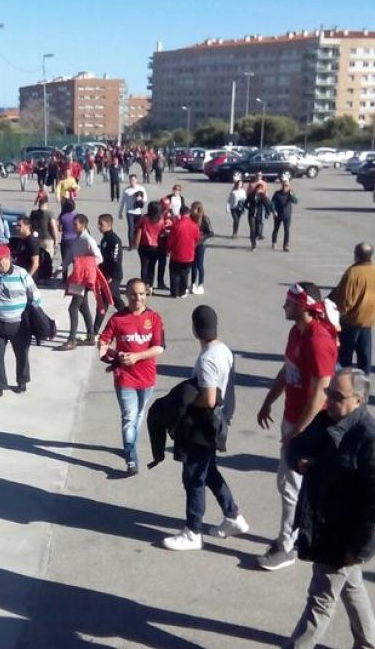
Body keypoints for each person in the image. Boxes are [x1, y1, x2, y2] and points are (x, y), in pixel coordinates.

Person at [283, 368, 375, 649]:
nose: (329, 401)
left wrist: (359, 550)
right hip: (323, 526)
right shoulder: (326, 421)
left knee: (320, 601)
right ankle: (370, 645)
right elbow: (295, 446)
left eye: (337, 396)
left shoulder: (373, 442)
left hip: (343, 536)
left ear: (359, 400)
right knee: (351, 586)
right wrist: (299, 463)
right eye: (328, 394)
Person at [256, 282, 340, 571]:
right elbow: (287, 369)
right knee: (289, 484)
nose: (284, 307)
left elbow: (320, 394)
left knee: (292, 485)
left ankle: (287, 545)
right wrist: (269, 400)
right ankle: (296, 535)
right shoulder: (296, 332)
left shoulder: (319, 341)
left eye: (289, 303)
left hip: (310, 426)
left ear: (304, 307)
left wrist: (297, 433)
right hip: (293, 419)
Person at [161, 305, 247, 551]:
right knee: (209, 471)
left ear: (194, 329)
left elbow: (209, 398)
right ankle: (233, 516)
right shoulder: (224, 350)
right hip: (220, 421)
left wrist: (185, 403)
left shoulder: (208, 358)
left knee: (194, 477)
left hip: (203, 425)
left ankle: (193, 531)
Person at [97, 278, 165, 474]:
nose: (138, 298)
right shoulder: (117, 319)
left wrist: (137, 356)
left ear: (147, 294)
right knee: (129, 418)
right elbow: (102, 344)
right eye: (134, 294)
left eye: (142, 293)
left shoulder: (154, 318)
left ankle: (130, 444)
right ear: (126, 295)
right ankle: (131, 458)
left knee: (138, 416)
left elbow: (159, 347)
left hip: (147, 379)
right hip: (125, 379)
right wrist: (116, 356)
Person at [0, 245, 42, 401]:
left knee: (21, 354)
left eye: (0, 260)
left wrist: (32, 312)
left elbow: (35, 296)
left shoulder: (21, 274)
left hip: (19, 324)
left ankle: (22, 381)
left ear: (8, 258)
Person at [328, 242, 375, 375]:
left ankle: (344, 389)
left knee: (344, 362)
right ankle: (364, 389)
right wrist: (374, 313)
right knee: (365, 361)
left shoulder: (353, 273)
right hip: (367, 323)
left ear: (356, 255)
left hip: (349, 323)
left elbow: (346, 301)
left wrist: (337, 316)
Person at [58, 214, 103, 350]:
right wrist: (61, 268)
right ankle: (90, 336)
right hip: (78, 276)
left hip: (84, 278)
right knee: (83, 307)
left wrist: (85, 264)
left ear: (83, 225)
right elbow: (70, 256)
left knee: (73, 308)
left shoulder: (88, 240)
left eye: (75, 224)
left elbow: (99, 258)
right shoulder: (75, 240)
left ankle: (71, 339)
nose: (73, 226)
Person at [166, 206, 200, 299]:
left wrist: (168, 250)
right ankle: (182, 291)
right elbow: (197, 239)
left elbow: (171, 240)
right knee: (185, 274)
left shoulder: (176, 225)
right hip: (189, 254)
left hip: (177, 254)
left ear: (180, 214)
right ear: (188, 214)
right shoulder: (194, 225)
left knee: (174, 273)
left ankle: (174, 292)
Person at [135, 202, 168, 291]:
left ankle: (144, 284)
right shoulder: (160, 220)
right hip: (156, 246)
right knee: (152, 266)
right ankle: (150, 285)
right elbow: (162, 232)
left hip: (143, 245)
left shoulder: (143, 219)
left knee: (144, 265)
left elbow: (137, 228)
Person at [97, 214, 125, 313]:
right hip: (106, 275)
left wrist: (112, 275)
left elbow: (117, 260)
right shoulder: (104, 239)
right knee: (103, 300)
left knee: (114, 297)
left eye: (101, 224)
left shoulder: (114, 240)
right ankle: (95, 328)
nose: (99, 227)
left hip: (114, 275)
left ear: (109, 224)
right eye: (98, 224)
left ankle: (127, 315)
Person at [188, 202, 213, 295]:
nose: (191, 210)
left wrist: (202, 237)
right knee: (192, 264)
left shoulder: (205, 219)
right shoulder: (190, 217)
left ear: (198, 209)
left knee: (200, 265)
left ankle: (201, 284)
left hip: (201, 245)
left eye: (193, 208)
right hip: (191, 244)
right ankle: (193, 283)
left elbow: (211, 232)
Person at [28, 193, 59, 269]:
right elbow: (53, 227)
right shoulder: (50, 213)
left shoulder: (33, 213)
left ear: (39, 203)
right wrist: (56, 240)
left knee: (37, 258)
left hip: (35, 239)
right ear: (47, 203)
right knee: (48, 258)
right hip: (47, 239)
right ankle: (46, 274)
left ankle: (38, 273)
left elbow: (29, 225)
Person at [270, 179, 298, 252]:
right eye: (283, 185)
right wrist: (273, 211)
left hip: (287, 215)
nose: (284, 187)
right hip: (278, 215)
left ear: (289, 186)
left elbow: (295, 201)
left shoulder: (290, 193)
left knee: (287, 230)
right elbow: (272, 203)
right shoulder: (277, 193)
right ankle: (274, 243)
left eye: (286, 186)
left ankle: (285, 245)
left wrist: (292, 196)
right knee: (276, 229)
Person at [119, 175, 146, 248]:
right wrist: (120, 212)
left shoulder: (141, 188)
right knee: (131, 228)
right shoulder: (126, 190)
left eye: (134, 180)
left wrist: (140, 199)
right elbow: (123, 202)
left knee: (138, 228)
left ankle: (137, 243)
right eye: (131, 180)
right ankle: (131, 245)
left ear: (136, 180)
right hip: (129, 212)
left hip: (138, 212)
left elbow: (145, 199)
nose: (132, 182)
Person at [246, 179, 271, 251]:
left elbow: (267, 205)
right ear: (256, 189)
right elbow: (245, 203)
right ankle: (253, 245)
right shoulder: (251, 195)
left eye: (261, 189)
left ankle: (256, 235)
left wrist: (267, 212)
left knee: (257, 231)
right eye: (258, 189)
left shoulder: (262, 196)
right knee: (252, 230)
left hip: (259, 215)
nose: (259, 190)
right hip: (251, 215)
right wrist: (249, 208)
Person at [58, 198, 79, 277]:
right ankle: (76, 276)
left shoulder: (62, 216)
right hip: (75, 239)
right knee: (76, 260)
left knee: (65, 260)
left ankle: (64, 278)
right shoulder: (76, 216)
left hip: (65, 240)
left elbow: (60, 229)